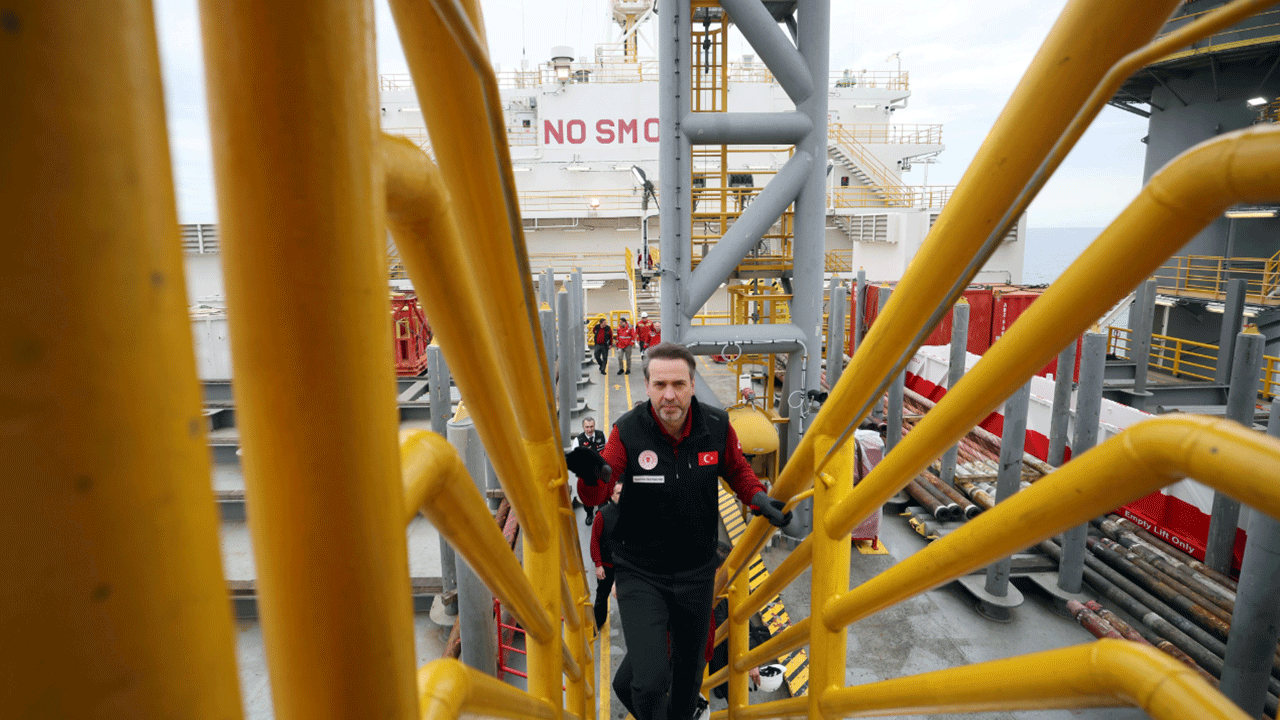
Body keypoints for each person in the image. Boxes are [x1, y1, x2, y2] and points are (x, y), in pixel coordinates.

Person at [565, 342, 791, 720]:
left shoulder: (717, 426)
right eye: (659, 384)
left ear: (692, 384)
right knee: (648, 681)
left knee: (688, 676)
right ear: (647, 386)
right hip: (641, 570)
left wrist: (758, 498)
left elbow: (737, 470)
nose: (669, 394)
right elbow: (601, 490)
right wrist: (589, 477)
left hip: (696, 571)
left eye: (678, 384)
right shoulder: (627, 431)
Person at [590, 482, 622, 630]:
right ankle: (598, 623)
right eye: (618, 493)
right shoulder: (602, 515)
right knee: (602, 596)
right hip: (607, 567)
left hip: (625, 566)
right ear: (611, 495)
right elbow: (595, 540)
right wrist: (598, 564)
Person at [576, 417, 608, 525]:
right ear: (583, 427)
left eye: (591, 426)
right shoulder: (578, 440)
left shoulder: (602, 435)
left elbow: (607, 451)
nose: (589, 429)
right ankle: (589, 514)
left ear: (594, 426)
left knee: (603, 496)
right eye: (587, 427)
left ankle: (600, 516)